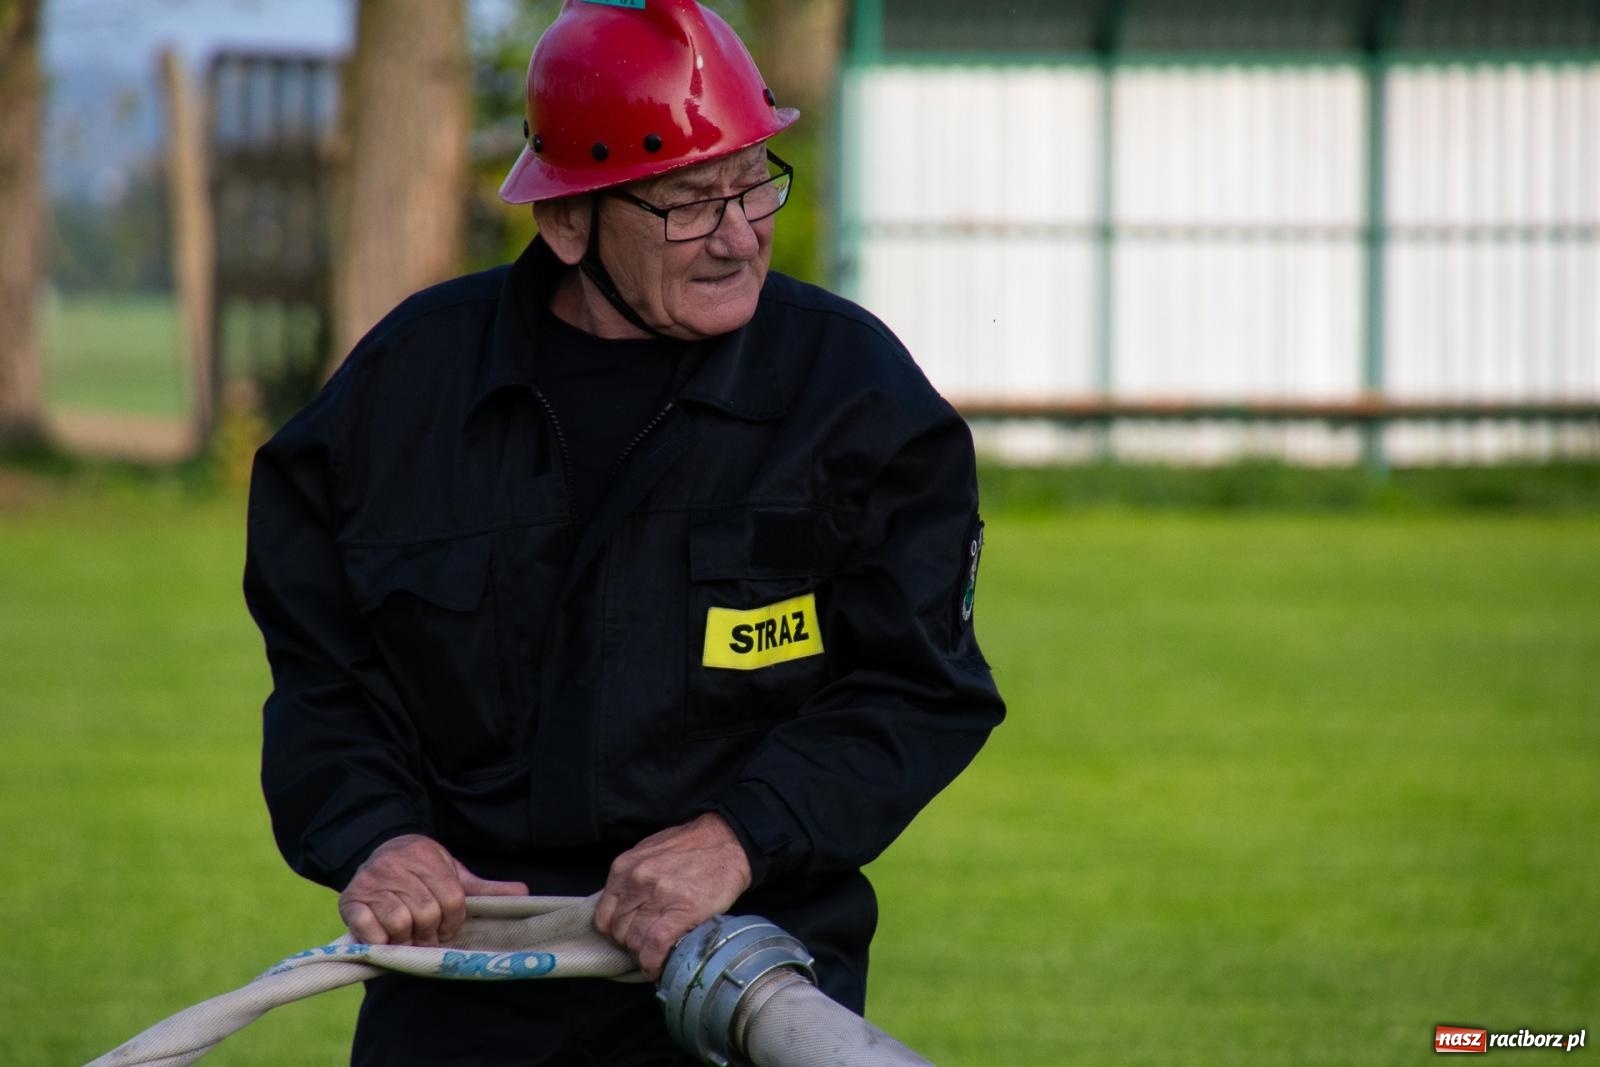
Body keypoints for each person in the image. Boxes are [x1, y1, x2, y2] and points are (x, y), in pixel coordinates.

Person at [243, 0, 1004, 1062]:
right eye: (689, 203)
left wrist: (740, 832)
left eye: (753, 183)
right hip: (463, 989)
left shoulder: (856, 399)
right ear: (566, 221)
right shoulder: (402, 396)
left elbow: (920, 688)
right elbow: (324, 678)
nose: (739, 234)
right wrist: (379, 836)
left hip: (741, 982)